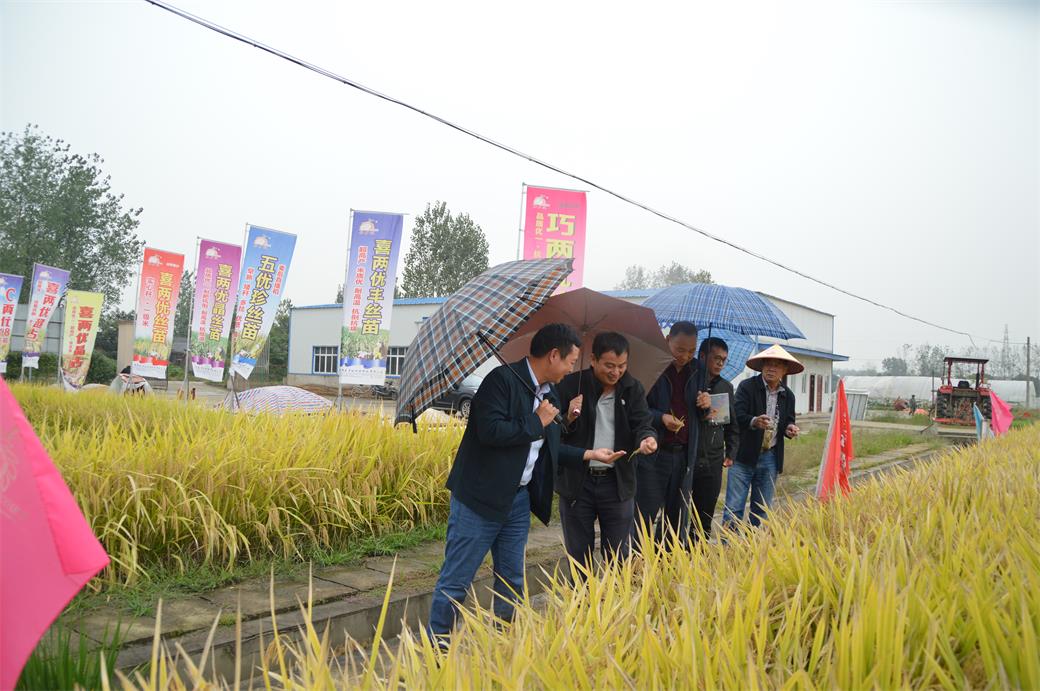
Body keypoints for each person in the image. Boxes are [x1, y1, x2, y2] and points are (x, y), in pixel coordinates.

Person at [427, 323, 624, 645]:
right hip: (479, 499)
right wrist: (536, 421)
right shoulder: (500, 381)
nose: (571, 368)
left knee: (512, 580)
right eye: (570, 361)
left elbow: (551, 447)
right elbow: (489, 432)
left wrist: (590, 453)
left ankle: (504, 643)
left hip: (517, 501)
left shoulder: (549, 393)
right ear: (554, 355)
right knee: (456, 580)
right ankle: (438, 649)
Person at [557, 332, 658, 571]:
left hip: (617, 482)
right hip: (578, 483)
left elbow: (643, 423)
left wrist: (648, 439)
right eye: (609, 365)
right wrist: (568, 418)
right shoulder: (570, 385)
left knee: (619, 556)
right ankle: (581, 595)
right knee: (578, 556)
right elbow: (553, 435)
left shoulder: (632, 388)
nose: (616, 372)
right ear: (593, 359)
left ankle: (616, 596)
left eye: (622, 366)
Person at [639, 321, 710, 547]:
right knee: (644, 515)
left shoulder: (699, 370)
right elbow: (637, 409)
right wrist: (661, 418)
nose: (685, 356)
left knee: (677, 519)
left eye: (691, 351)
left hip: (684, 455)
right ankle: (637, 563)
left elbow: (703, 415)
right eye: (680, 349)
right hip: (654, 453)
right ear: (667, 340)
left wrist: (705, 404)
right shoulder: (652, 365)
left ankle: (668, 563)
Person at [723, 345, 802, 529]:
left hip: (770, 458)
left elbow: (788, 420)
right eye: (768, 364)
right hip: (743, 456)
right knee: (734, 508)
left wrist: (790, 428)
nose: (771, 368)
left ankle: (755, 544)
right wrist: (754, 421)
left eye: (777, 365)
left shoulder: (788, 395)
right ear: (762, 367)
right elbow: (736, 415)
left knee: (761, 510)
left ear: (784, 370)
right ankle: (728, 546)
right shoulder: (747, 387)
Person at [690, 337, 740, 541]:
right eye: (716, 358)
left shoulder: (726, 387)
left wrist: (731, 452)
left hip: (713, 459)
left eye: (724, 360)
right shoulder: (690, 381)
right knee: (679, 512)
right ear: (702, 356)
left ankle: (699, 553)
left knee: (705, 515)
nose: (720, 363)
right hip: (688, 456)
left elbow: (732, 424)